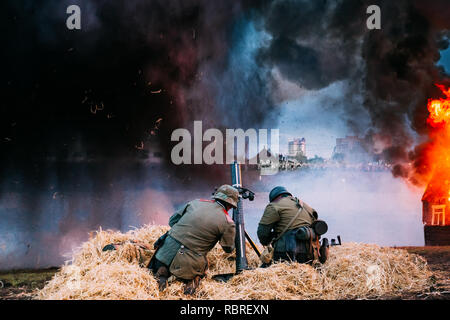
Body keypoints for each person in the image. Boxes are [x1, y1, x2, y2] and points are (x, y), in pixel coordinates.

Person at [149, 184, 238, 295]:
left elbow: (172, 222)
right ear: (231, 205)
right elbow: (228, 248)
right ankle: (190, 286)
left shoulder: (196, 202)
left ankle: (163, 271)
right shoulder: (228, 222)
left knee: (160, 268)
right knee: (194, 279)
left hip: (164, 253)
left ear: (216, 196)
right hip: (190, 263)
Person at [257, 186, 329, 265]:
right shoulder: (306, 207)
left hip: (287, 254)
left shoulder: (274, 206)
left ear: (275, 198)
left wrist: (269, 241)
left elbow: (262, 233)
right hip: (310, 254)